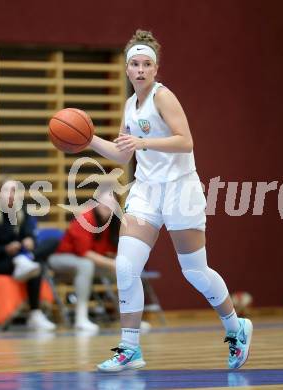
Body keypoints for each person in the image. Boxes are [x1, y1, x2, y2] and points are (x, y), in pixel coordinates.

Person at [90, 29, 253, 371]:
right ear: (126, 68)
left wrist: (143, 144)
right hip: (147, 190)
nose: (139, 70)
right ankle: (130, 347)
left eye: (146, 64)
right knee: (125, 266)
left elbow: (186, 141)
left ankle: (236, 327)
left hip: (180, 188)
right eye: (134, 64)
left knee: (194, 271)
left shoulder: (163, 97)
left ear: (155, 68)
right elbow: (122, 156)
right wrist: (88, 140)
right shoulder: (129, 105)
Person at [0, 178, 56, 331]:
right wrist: (5, 249)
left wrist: (29, 240)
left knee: (50, 244)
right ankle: (35, 312)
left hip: (21, 257)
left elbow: (30, 234)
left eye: (15, 190)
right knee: (35, 267)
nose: (12, 194)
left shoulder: (22, 211)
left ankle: (25, 261)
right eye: (7, 190)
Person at [48, 191, 119, 332]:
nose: (108, 206)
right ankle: (81, 318)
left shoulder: (115, 222)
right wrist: (112, 264)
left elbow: (116, 249)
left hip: (91, 262)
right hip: (61, 258)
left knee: (126, 271)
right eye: (104, 202)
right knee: (86, 265)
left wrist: (120, 264)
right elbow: (85, 253)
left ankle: (130, 318)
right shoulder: (85, 218)